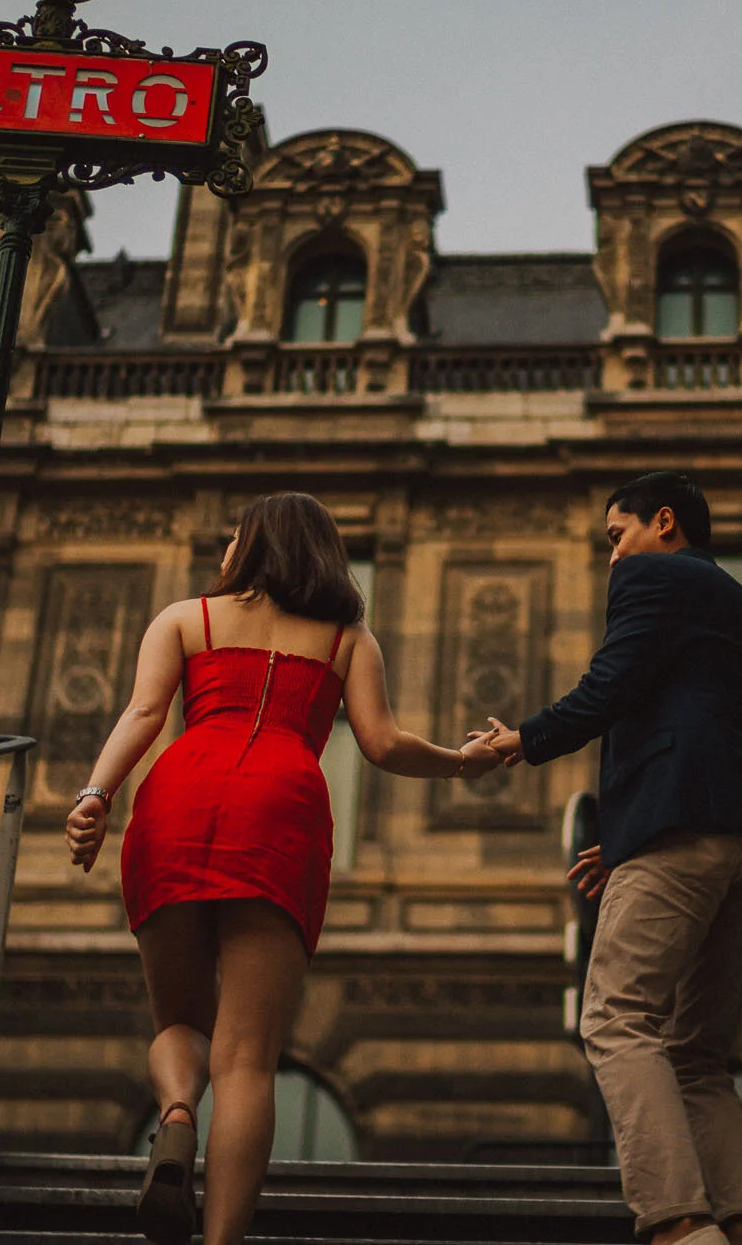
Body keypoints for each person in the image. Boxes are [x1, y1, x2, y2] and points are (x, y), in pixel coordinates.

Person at [65, 493, 501, 1245]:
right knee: (247, 1063)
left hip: (178, 799)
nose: (225, 548)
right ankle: (223, 1240)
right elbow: (384, 743)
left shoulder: (184, 618)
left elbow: (142, 713)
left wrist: (95, 795)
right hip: (281, 811)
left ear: (257, 546)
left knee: (177, 1021)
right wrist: (461, 764)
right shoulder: (347, 640)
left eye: (234, 536)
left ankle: (174, 1122)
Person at [482, 472, 742, 1245]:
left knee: (615, 1018)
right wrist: (629, 835)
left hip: (684, 831)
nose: (612, 557)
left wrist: (519, 742)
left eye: (615, 535)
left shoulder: (651, 574)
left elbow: (610, 688)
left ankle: (681, 1226)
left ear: (664, 523)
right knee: (695, 1051)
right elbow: (709, 725)